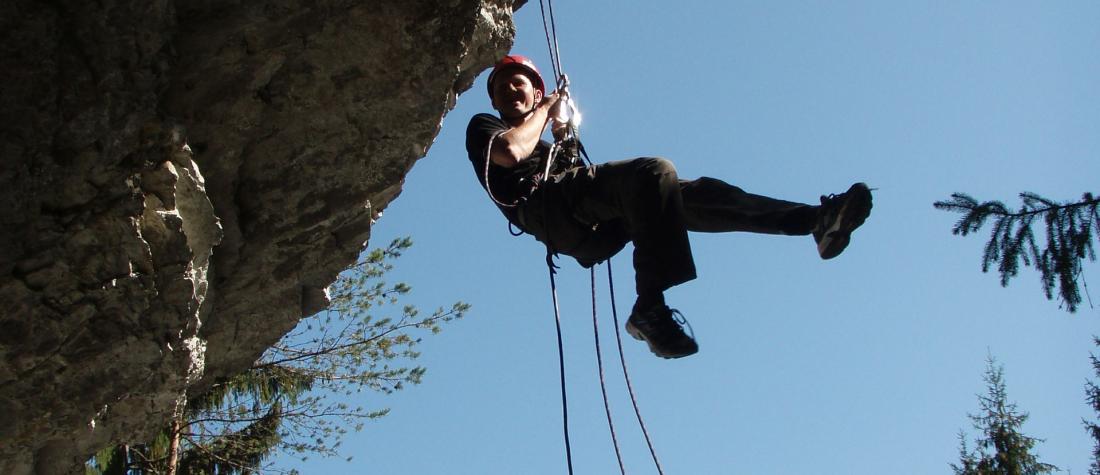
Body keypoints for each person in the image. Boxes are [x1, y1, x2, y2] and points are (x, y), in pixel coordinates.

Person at [465, 55, 872, 359]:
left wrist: (563, 134)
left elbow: (584, 180)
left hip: (588, 228)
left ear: (533, 90)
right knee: (653, 170)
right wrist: (546, 107)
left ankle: (815, 221)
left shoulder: (549, 143)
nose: (508, 91)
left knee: (680, 192)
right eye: (502, 88)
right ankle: (650, 305)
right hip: (548, 211)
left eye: (517, 84)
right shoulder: (485, 126)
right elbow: (511, 152)